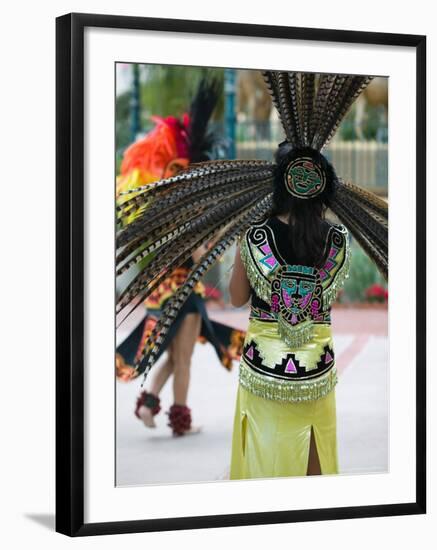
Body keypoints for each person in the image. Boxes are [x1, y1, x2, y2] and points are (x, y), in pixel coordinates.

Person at [116, 78, 245, 436]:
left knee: (173, 357)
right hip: (185, 293)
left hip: (161, 291)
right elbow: (198, 252)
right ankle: (180, 420)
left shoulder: (160, 212)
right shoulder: (187, 214)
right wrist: (212, 242)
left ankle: (147, 404)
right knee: (183, 359)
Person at [228, 144, 351, 478]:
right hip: (316, 367)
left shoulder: (255, 235)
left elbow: (237, 296)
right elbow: (325, 301)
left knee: (262, 451)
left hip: (263, 366)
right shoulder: (335, 239)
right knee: (315, 450)